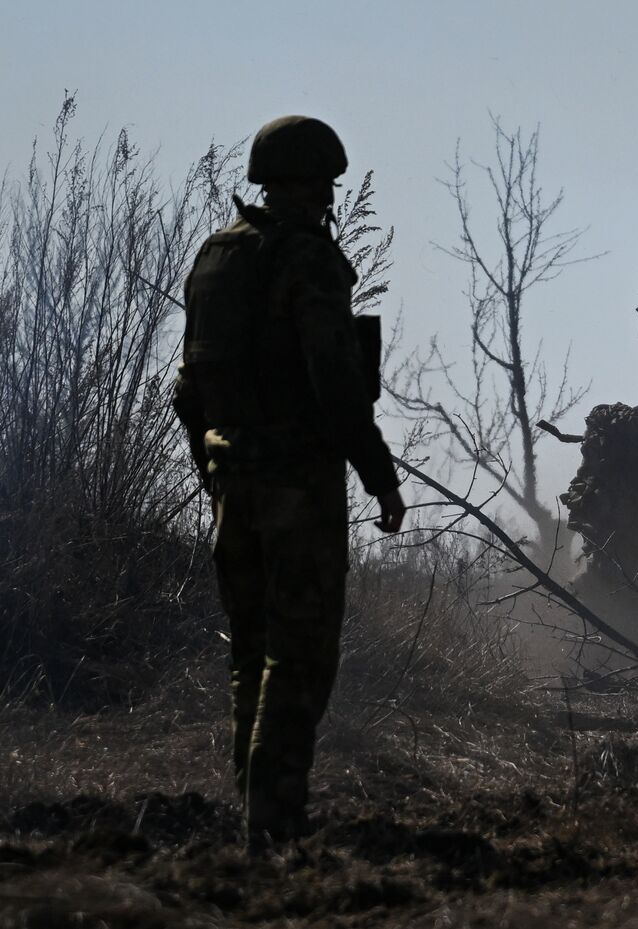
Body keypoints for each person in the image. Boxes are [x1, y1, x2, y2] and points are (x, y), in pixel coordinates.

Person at [171, 115, 406, 846]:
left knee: (251, 650)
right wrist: (380, 477)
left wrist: (210, 465)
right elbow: (336, 387)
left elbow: (188, 387)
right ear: (316, 185)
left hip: (230, 479)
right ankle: (275, 819)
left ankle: (256, 811)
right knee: (298, 655)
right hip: (295, 483)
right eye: (326, 187)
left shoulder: (217, 257)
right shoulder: (306, 261)